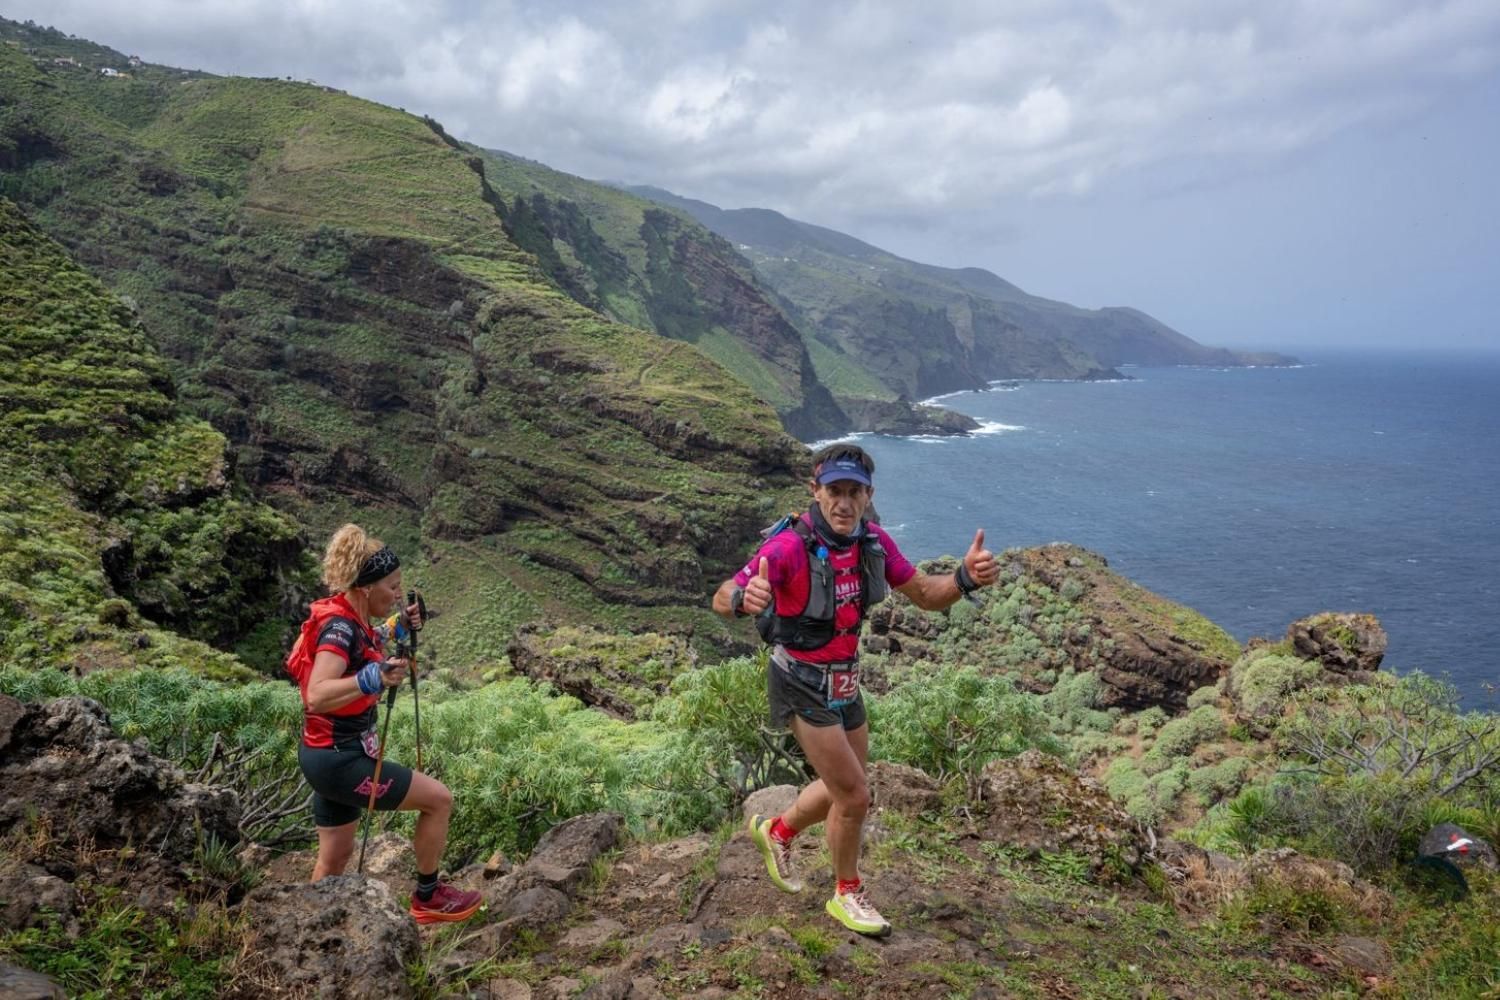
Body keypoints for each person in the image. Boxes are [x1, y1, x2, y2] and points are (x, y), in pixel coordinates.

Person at [713, 443, 998, 937]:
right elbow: (721, 595)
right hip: (800, 681)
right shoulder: (786, 549)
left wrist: (964, 579)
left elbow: (927, 595)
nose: (844, 503)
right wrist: (743, 598)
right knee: (855, 795)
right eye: (834, 491)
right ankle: (847, 893)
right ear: (815, 492)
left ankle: (775, 833)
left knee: (846, 783)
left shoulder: (873, 543)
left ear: (868, 495)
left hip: (845, 679)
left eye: (854, 492)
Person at [292, 523, 482, 925]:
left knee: (334, 860)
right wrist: (373, 677)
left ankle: (305, 926)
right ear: (365, 588)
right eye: (392, 587)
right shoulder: (340, 628)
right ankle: (428, 897)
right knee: (438, 800)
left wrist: (400, 626)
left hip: (324, 757)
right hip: (341, 760)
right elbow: (317, 693)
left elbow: (368, 640)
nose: (398, 594)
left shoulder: (350, 617)